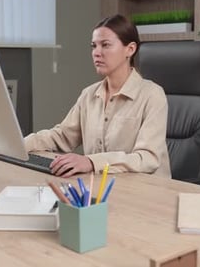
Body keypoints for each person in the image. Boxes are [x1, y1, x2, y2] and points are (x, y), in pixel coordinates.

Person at [25, 14, 170, 178]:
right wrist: (15, 145)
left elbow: (147, 158)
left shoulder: (152, 95)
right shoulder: (89, 94)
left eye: (105, 45)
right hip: (102, 187)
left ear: (130, 49)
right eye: (94, 46)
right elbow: (62, 136)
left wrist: (91, 162)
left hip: (147, 192)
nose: (96, 53)